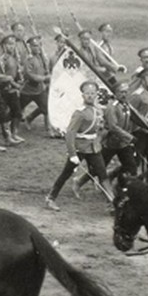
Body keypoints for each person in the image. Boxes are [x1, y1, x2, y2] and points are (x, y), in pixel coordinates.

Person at [46, 81, 113, 211]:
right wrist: (72, 154)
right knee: (66, 173)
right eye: (87, 93)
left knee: (102, 174)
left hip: (93, 148)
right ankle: (50, 198)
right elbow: (70, 133)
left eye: (93, 93)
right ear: (82, 95)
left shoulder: (97, 110)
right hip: (80, 148)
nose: (90, 96)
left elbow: (99, 129)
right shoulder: (80, 113)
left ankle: (112, 201)